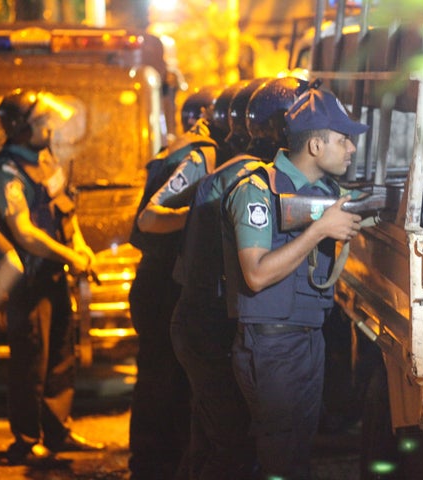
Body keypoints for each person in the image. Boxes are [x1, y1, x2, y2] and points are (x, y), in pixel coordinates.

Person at [221, 86, 369, 480]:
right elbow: (255, 274)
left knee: (296, 455)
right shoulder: (257, 190)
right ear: (317, 146)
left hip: (305, 338)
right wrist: (319, 231)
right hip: (272, 344)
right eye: (343, 140)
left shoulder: (327, 193)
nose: (351, 149)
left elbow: (376, 205)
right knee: (279, 457)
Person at [170, 76, 307, 480]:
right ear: (283, 129)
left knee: (211, 439)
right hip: (210, 327)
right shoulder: (250, 179)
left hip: (198, 321)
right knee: (230, 447)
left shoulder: (237, 167)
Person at [127, 84, 237, 480]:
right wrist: (204, 217)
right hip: (161, 283)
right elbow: (150, 218)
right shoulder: (199, 153)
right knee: (163, 384)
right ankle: (152, 468)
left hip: (157, 280)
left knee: (163, 381)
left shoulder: (183, 146)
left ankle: (155, 465)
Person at [0, 88, 104, 465]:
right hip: (27, 281)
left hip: (56, 275)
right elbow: (24, 231)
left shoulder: (46, 158)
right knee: (31, 361)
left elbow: (65, 209)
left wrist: (81, 246)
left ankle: (57, 431)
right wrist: (69, 256)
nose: (49, 128)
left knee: (61, 352)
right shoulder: (6, 169)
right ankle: (26, 440)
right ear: (22, 129)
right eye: (42, 123)